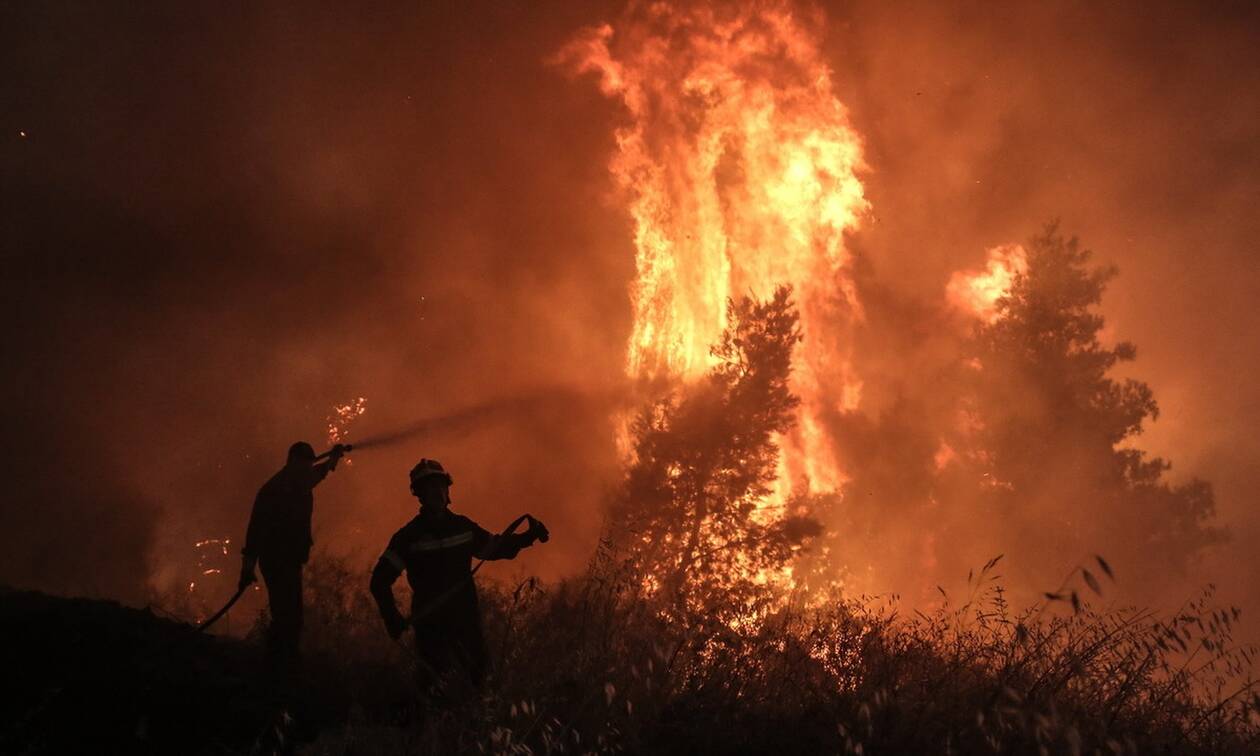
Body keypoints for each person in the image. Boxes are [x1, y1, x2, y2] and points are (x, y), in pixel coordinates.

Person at [370, 458, 548, 701]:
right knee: (432, 688)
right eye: (429, 487)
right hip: (431, 625)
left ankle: (474, 728)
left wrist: (528, 537)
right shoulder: (408, 537)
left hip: (466, 619)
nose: (436, 492)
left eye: (440, 485)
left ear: (448, 490)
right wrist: (392, 618)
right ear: (419, 494)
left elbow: (493, 549)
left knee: (478, 679)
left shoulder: (462, 528)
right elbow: (379, 580)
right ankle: (430, 733)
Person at [239, 441, 347, 673]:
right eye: (303, 465)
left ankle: (281, 661)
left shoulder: (297, 481)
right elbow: (254, 531)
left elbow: (318, 474)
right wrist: (247, 568)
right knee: (287, 615)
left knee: (290, 614)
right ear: (292, 463)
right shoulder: (277, 489)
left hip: (288, 560)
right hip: (277, 560)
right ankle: (278, 665)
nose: (307, 470)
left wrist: (333, 460)